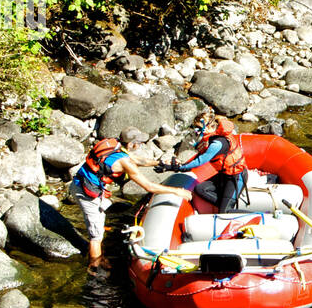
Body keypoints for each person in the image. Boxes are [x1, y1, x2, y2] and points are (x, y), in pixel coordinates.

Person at [71, 128, 190, 273]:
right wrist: (177, 191)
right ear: (133, 144)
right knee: (96, 236)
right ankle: (94, 270)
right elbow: (149, 186)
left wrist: (158, 162)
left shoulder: (114, 145)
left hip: (81, 183)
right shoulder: (124, 162)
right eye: (139, 142)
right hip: (85, 193)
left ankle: (101, 258)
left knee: (99, 224)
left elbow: (137, 160)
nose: (141, 144)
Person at [159, 114, 248, 211]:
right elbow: (197, 158)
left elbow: (200, 161)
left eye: (198, 128)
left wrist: (178, 167)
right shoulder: (212, 137)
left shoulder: (218, 144)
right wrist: (178, 164)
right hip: (224, 175)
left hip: (236, 177)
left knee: (224, 212)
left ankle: (254, 215)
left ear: (210, 126)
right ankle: (225, 203)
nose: (197, 131)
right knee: (200, 189)